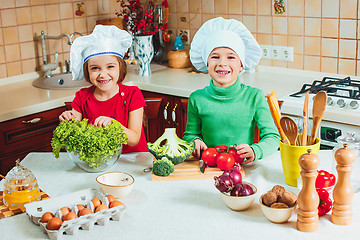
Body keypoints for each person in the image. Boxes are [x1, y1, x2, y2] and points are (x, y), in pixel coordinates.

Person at [183, 17, 280, 164]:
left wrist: (256, 150)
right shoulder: (197, 98)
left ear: (241, 65)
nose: (222, 63)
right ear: (206, 64)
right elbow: (190, 135)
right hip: (208, 166)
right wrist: (194, 141)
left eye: (231, 57)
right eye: (215, 57)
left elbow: (273, 137)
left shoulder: (254, 96)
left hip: (241, 168)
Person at [59, 25, 147, 153]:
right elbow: (75, 134)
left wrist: (114, 126)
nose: (103, 74)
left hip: (133, 160)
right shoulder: (81, 97)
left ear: (120, 68)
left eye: (110, 66)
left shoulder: (133, 94)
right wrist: (68, 120)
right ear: (87, 71)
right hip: (99, 162)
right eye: (95, 68)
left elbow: (134, 139)